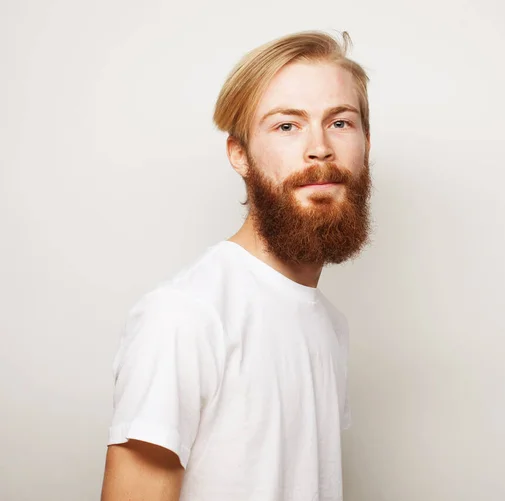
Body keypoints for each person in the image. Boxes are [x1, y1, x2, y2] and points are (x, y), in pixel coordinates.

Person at [100, 29, 373, 501]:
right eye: (287, 126)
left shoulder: (330, 325)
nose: (320, 148)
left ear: (366, 143)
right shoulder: (184, 316)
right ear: (240, 155)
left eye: (341, 122)